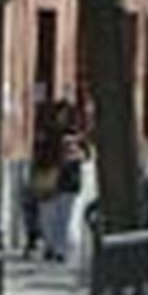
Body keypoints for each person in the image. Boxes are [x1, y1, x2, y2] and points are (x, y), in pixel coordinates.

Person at [39, 102, 87, 262]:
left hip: (69, 181)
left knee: (64, 217)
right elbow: (42, 155)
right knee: (49, 216)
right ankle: (50, 246)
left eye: (66, 114)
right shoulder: (49, 133)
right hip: (51, 179)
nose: (62, 117)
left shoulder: (77, 134)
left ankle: (60, 249)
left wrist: (75, 154)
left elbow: (86, 155)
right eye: (60, 114)